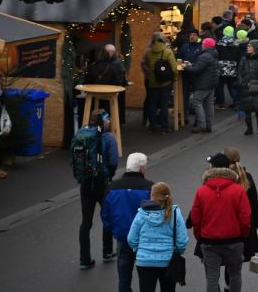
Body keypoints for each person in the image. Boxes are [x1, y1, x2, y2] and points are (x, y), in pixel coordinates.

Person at [191, 153, 251, 292]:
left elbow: (196, 218)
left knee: (212, 277)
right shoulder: (238, 190)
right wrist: (242, 236)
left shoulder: (202, 191)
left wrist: (200, 237)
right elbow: (245, 217)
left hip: (209, 241)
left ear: (211, 168)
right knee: (235, 274)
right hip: (234, 240)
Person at [102, 152, 155, 292]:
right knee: (146, 280)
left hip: (122, 237)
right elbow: (156, 214)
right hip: (144, 240)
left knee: (124, 281)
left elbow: (105, 214)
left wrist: (113, 231)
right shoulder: (150, 187)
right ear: (142, 168)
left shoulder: (112, 187)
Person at [76, 109, 120, 270]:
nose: (109, 122)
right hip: (102, 183)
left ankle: (84, 259)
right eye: (108, 119)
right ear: (104, 121)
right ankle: (107, 251)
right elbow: (114, 161)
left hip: (86, 183)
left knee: (86, 222)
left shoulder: (81, 134)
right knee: (107, 216)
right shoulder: (108, 138)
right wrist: (109, 174)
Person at [128, 182, 188, 292]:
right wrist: (178, 251)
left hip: (144, 261)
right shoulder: (174, 213)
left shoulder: (141, 213)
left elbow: (131, 238)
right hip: (168, 261)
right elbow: (182, 240)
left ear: (152, 196)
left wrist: (138, 250)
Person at [222, 147, 258, 289]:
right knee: (236, 261)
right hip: (246, 226)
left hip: (229, 225)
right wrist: (257, 224)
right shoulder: (247, 177)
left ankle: (228, 285)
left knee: (229, 260)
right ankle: (232, 286)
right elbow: (254, 203)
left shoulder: (225, 180)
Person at [144, 33, 178, 134]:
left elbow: (148, 65)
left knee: (152, 104)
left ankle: (152, 126)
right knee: (164, 105)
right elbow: (174, 69)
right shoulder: (168, 52)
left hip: (152, 82)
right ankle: (164, 126)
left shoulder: (149, 52)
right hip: (165, 83)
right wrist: (174, 79)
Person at [184, 37, 219, 133]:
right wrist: (192, 65)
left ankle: (202, 124)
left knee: (197, 102)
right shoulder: (213, 54)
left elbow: (196, 70)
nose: (201, 45)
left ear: (206, 45)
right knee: (209, 104)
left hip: (204, 83)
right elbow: (201, 67)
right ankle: (209, 125)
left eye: (203, 44)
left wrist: (186, 67)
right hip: (212, 82)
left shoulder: (204, 56)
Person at [87, 44, 128, 124]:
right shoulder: (118, 64)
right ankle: (112, 126)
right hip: (112, 95)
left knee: (98, 113)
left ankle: (97, 126)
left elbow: (89, 79)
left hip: (97, 95)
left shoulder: (96, 64)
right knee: (110, 114)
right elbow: (121, 81)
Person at [238, 40, 258, 135]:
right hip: (245, 86)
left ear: (255, 48)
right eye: (247, 46)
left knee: (257, 108)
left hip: (256, 86)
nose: (248, 47)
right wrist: (242, 82)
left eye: (250, 46)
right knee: (247, 109)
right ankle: (249, 128)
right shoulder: (243, 59)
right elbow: (239, 71)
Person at [177, 29, 203, 123]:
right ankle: (184, 117)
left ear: (197, 36)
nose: (192, 36)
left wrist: (192, 64)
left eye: (194, 35)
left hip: (196, 75)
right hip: (185, 74)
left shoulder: (200, 47)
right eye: (191, 35)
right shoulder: (184, 46)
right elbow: (179, 58)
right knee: (185, 97)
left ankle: (198, 119)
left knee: (197, 98)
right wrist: (182, 64)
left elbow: (201, 62)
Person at [215, 26, 241, 110]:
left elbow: (217, 55)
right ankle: (236, 103)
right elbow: (238, 56)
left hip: (221, 66)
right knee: (232, 86)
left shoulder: (220, 42)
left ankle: (221, 103)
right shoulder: (236, 42)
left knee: (220, 85)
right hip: (232, 66)